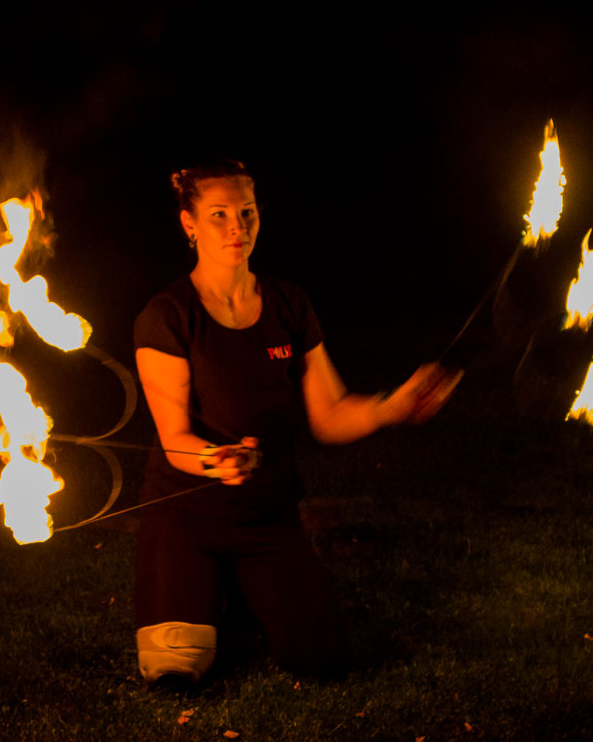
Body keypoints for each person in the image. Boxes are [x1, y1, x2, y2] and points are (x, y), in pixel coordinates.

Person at [132, 160, 459, 685]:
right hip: (187, 518)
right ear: (189, 224)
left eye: (247, 212)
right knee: (175, 669)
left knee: (322, 658)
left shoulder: (289, 304)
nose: (237, 227)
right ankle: (205, 586)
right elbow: (175, 440)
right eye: (219, 215)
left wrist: (390, 407)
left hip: (267, 518)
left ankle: (243, 589)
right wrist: (218, 460)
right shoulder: (167, 315)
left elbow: (329, 414)